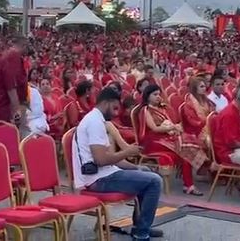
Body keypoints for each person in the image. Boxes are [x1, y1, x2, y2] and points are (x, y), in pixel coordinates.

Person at [72, 87, 163, 241]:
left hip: (106, 173)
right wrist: (127, 152)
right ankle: (142, 232)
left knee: (146, 173)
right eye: (114, 107)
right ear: (106, 103)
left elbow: (111, 158)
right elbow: (101, 160)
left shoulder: (98, 120)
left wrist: (136, 167)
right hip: (97, 179)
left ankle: (140, 226)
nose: (115, 113)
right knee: (155, 181)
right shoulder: (94, 122)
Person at [138, 84, 207, 196]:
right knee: (185, 146)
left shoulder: (162, 107)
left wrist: (174, 127)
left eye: (159, 94)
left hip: (165, 136)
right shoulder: (145, 110)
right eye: (154, 94)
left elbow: (172, 122)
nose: (158, 97)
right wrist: (171, 127)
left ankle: (188, 185)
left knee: (186, 150)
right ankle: (196, 177)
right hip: (154, 140)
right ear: (147, 96)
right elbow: (154, 128)